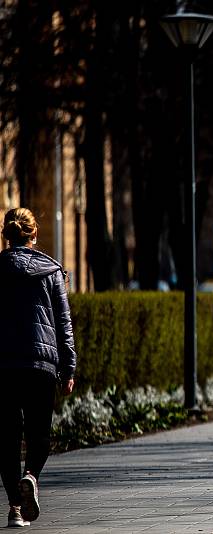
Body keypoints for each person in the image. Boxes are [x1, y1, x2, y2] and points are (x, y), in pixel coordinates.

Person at [0, 208, 77, 527]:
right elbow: (64, 322)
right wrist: (69, 367)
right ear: (34, 234)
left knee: (5, 437)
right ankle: (31, 475)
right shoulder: (51, 272)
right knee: (39, 434)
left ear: (6, 234)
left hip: (2, 365)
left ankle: (15, 508)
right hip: (41, 364)